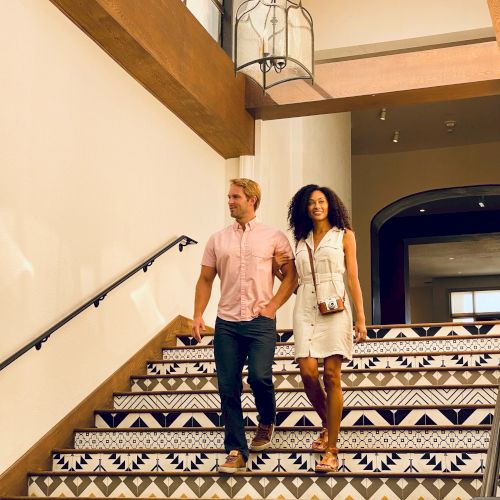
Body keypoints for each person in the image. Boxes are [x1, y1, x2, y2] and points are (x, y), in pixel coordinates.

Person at [192, 178, 297, 474]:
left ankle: (266, 420)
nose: (230, 201)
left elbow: (291, 276)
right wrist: (198, 315)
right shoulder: (217, 239)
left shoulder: (273, 237)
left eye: (235, 197)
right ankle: (236, 450)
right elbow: (205, 279)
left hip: (260, 322)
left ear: (252, 199)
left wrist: (273, 306)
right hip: (226, 322)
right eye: (228, 197)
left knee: (260, 377)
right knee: (228, 388)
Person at [274, 184, 367, 473]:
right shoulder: (300, 240)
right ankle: (329, 423)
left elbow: (353, 278)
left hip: (336, 309)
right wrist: (279, 270)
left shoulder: (344, 236)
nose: (317, 206)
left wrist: (361, 319)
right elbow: (295, 283)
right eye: (312, 202)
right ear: (305, 208)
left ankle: (332, 449)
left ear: (330, 205)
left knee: (331, 375)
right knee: (307, 372)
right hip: (304, 309)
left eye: (322, 201)